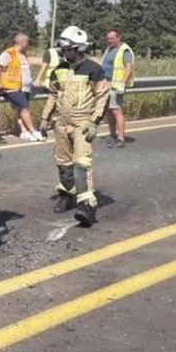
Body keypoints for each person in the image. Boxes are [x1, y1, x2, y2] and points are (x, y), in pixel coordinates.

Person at [38, 26, 109, 226]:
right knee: (63, 163)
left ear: (78, 49)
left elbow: (102, 97)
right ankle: (67, 194)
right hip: (61, 123)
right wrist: (45, 117)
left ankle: (87, 205)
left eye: (67, 49)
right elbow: (52, 94)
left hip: (82, 123)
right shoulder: (59, 70)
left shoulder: (94, 69)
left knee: (81, 163)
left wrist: (94, 121)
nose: (64, 52)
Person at [0, 33, 43, 141]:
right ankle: (33, 131)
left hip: (24, 88)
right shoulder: (9, 54)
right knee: (24, 109)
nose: (28, 45)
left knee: (21, 110)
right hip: (12, 88)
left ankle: (24, 131)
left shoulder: (23, 54)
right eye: (27, 42)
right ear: (22, 43)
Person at [101, 29, 135, 148]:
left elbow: (129, 67)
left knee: (116, 111)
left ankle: (121, 138)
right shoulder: (110, 49)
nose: (109, 41)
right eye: (108, 38)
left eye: (111, 38)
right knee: (109, 111)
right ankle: (112, 135)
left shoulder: (124, 50)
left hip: (117, 85)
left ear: (118, 38)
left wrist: (123, 83)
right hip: (107, 84)